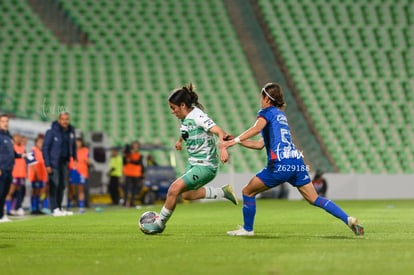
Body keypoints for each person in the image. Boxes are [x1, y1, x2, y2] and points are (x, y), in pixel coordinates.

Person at [223, 82, 364, 236]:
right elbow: (259, 145)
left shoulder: (265, 112)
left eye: (261, 97)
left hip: (280, 163)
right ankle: (348, 219)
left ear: (267, 99)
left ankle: (247, 229)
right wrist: (238, 139)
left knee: (247, 192)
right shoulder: (280, 116)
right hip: (295, 161)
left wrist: (233, 142)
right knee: (314, 198)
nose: (260, 100)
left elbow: (256, 129)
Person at [152, 83, 238, 233]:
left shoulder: (199, 116)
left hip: (205, 166)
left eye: (173, 108)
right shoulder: (185, 118)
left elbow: (219, 130)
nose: (172, 112)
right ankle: (224, 192)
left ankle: (159, 224)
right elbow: (186, 129)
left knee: (173, 190)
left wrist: (223, 147)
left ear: (183, 105)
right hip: (193, 163)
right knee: (187, 194)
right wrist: (180, 141)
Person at [42, 112, 77, 216]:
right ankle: (54, 208)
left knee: (62, 185)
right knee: (54, 184)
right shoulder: (51, 132)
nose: (65, 121)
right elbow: (45, 148)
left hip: (64, 162)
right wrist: (47, 164)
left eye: (67, 119)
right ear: (59, 120)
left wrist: (75, 157)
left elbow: (73, 145)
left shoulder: (71, 131)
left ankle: (59, 207)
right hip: (53, 162)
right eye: (63, 119)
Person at [0, 114, 25, 223]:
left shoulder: (8, 136)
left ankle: (1, 215)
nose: (5, 123)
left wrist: (20, 156)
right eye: (3, 121)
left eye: (7, 121)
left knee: (4, 193)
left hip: (9, 169)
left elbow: (11, 153)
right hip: (1, 169)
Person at [5, 134, 26, 216]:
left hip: (21, 173)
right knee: (10, 191)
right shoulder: (11, 146)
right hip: (14, 172)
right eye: (16, 137)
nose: (18, 139)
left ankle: (13, 208)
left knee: (17, 191)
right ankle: (7, 209)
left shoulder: (22, 147)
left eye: (19, 137)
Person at [67, 137, 90, 213]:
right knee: (71, 189)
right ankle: (69, 206)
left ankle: (81, 207)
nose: (78, 144)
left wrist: (88, 161)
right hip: (73, 171)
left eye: (79, 142)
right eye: (76, 142)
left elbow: (88, 160)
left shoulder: (85, 150)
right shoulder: (70, 151)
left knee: (80, 189)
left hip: (82, 172)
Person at [28, 134, 48, 215]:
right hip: (35, 175)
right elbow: (31, 163)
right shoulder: (33, 150)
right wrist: (35, 174)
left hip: (42, 175)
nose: (41, 144)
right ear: (36, 143)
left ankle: (39, 207)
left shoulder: (43, 152)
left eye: (42, 142)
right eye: (39, 142)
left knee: (40, 192)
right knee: (35, 191)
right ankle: (33, 208)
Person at [122, 141, 145, 207]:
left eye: (136, 145)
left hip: (136, 174)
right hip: (128, 173)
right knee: (126, 188)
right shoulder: (127, 154)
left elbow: (139, 163)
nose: (135, 147)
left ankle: (132, 202)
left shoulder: (139, 155)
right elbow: (124, 162)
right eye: (134, 145)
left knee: (134, 189)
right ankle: (125, 202)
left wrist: (142, 173)